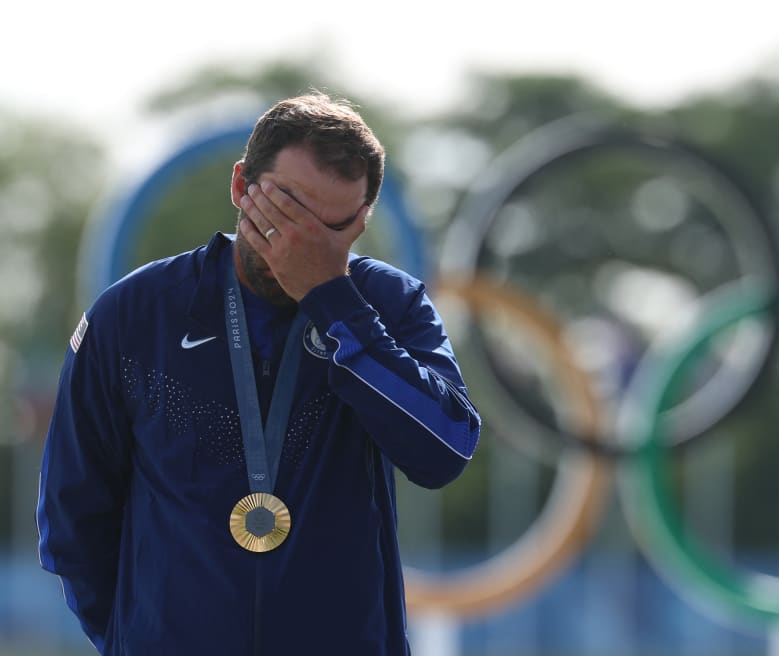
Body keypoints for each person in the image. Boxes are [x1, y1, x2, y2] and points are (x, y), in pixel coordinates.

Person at [36, 93, 482, 655]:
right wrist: (141, 638)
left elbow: (444, 451)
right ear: (241, 185)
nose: (302, 241)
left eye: (333, 227)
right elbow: (72, 522)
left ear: (364, 218)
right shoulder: (131, 314)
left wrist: (332, 299)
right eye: (287, 209)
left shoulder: (389, 303)